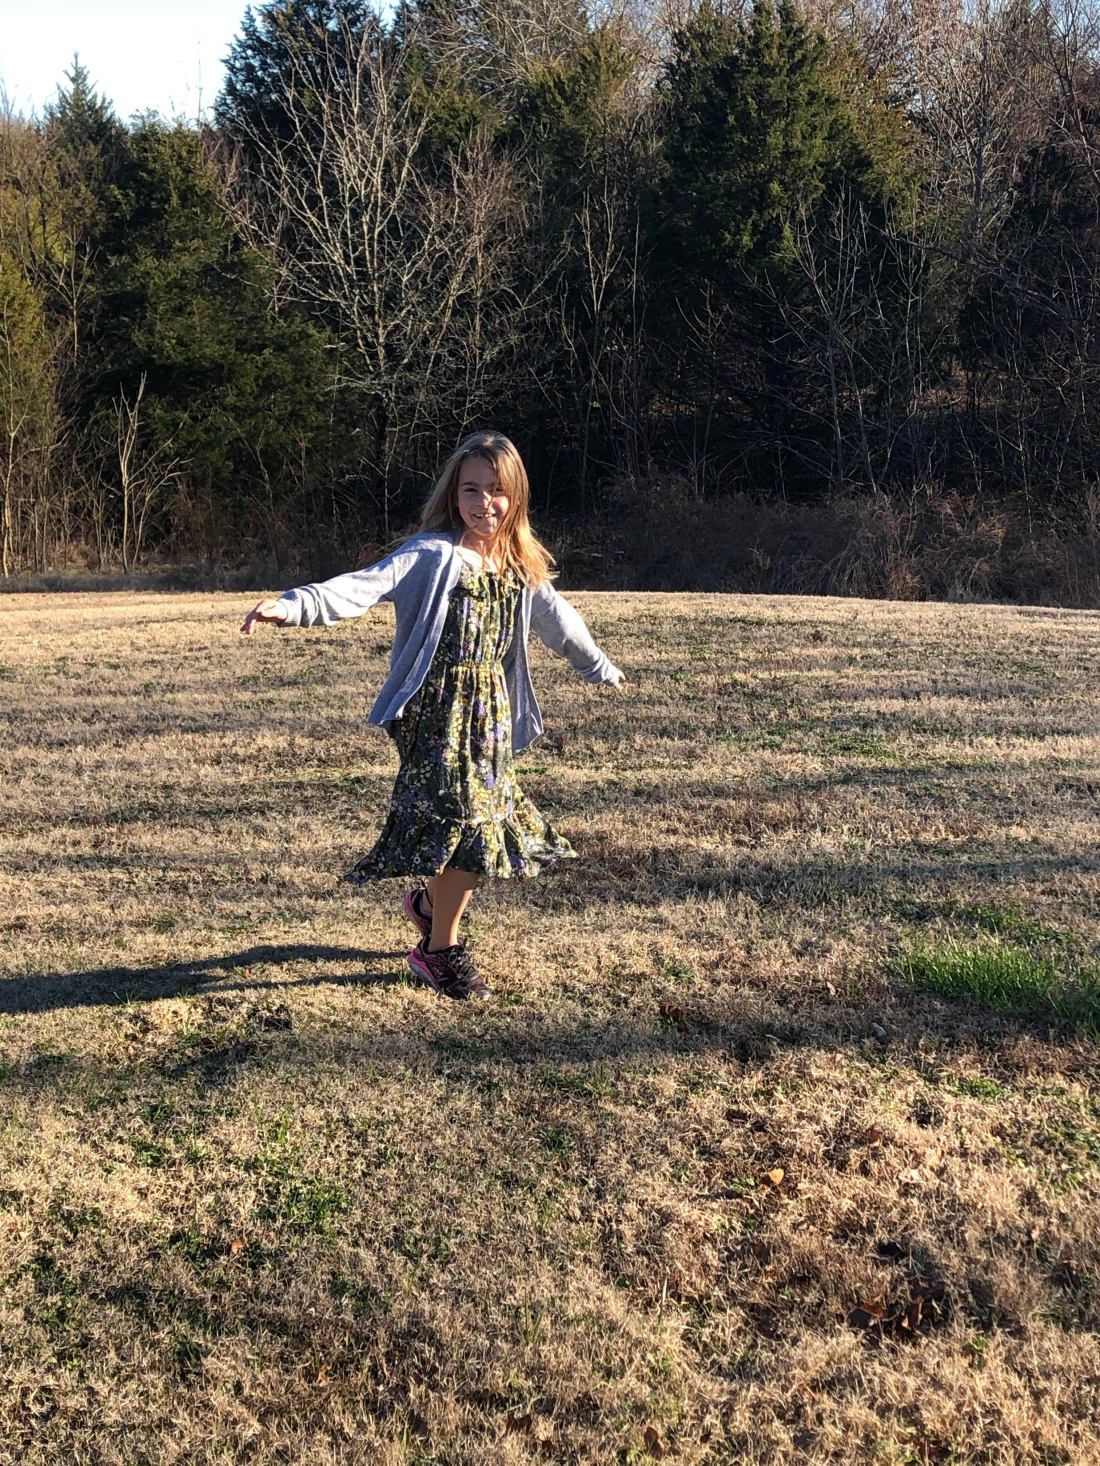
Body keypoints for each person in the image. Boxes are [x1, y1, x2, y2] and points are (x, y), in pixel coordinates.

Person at [240, 429, 627, 1001]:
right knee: (466, 826)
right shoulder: (432, 555)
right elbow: (363, 587)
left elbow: (560, 621)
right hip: (437, 714)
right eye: (471, 489)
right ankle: (438, 951)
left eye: (496, 490)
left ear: (516, 496)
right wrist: (293, 605)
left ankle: (427, 906)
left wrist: (598, 666)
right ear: (453, 493)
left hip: (490, 716)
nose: (483, 502)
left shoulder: (519, 566)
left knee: (476, 827)